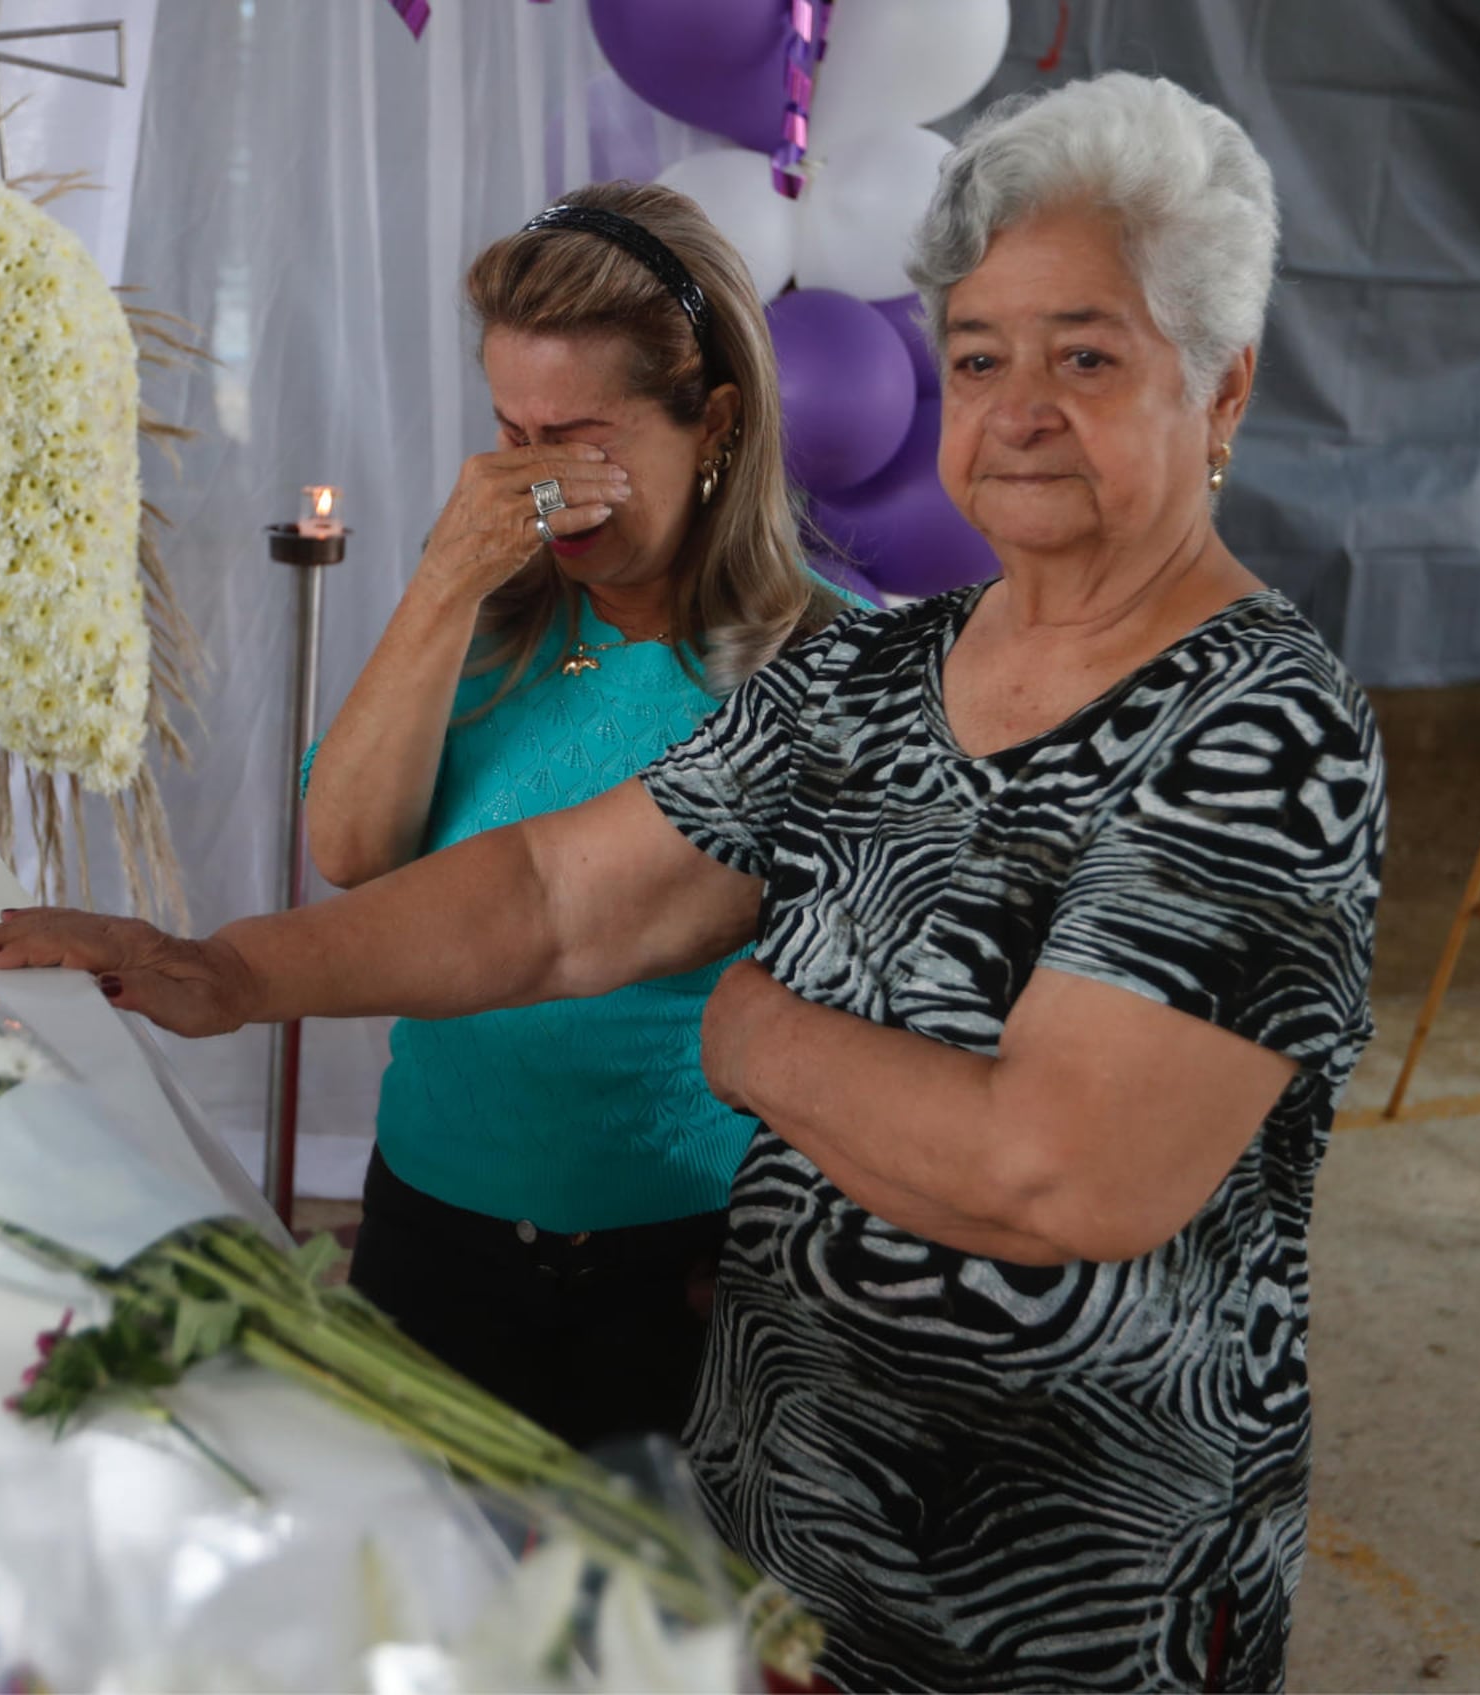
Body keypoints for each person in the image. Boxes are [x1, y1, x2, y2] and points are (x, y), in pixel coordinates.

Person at [0, 71, 1384, 1692]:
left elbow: (1056, 1171)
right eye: (980, 357)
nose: (1016, 410)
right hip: (779, 1508)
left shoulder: (1259, 726)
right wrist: (224, 969)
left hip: (1057, 1582)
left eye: (1090, 357)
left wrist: (755, 1036)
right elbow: (560, 902)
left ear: (1223, 392)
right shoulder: (881, 674)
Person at [299, 181, 860, 1450]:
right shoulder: (485, 628)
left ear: (712, 420)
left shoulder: (827, 668)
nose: (542, 489)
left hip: (691, 1259)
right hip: (430, 1223)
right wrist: (445, 578)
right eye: (512, 435)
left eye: (582, 442)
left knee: (657, 1642)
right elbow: (347, 853)